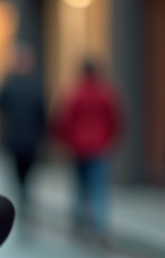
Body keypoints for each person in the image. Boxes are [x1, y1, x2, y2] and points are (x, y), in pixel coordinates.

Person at [52, 59, 122, 243]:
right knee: (99, 189)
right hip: (99, 148)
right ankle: (100, 228)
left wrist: (65, 142)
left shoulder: (74, 93)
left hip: (78, 148)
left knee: (80, 189)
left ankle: (79, 224)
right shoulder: (106, 93)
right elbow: (115, 119)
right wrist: (109, 140)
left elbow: (64, 120)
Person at [0, 45, 47, 219]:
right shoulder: (10, 83)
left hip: (31, 139)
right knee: (17, 172)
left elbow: (42, 112)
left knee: (29, 171)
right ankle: (22, 197)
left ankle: (25, 197)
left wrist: (43, 134)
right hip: (15, 139)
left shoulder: (35, 84)